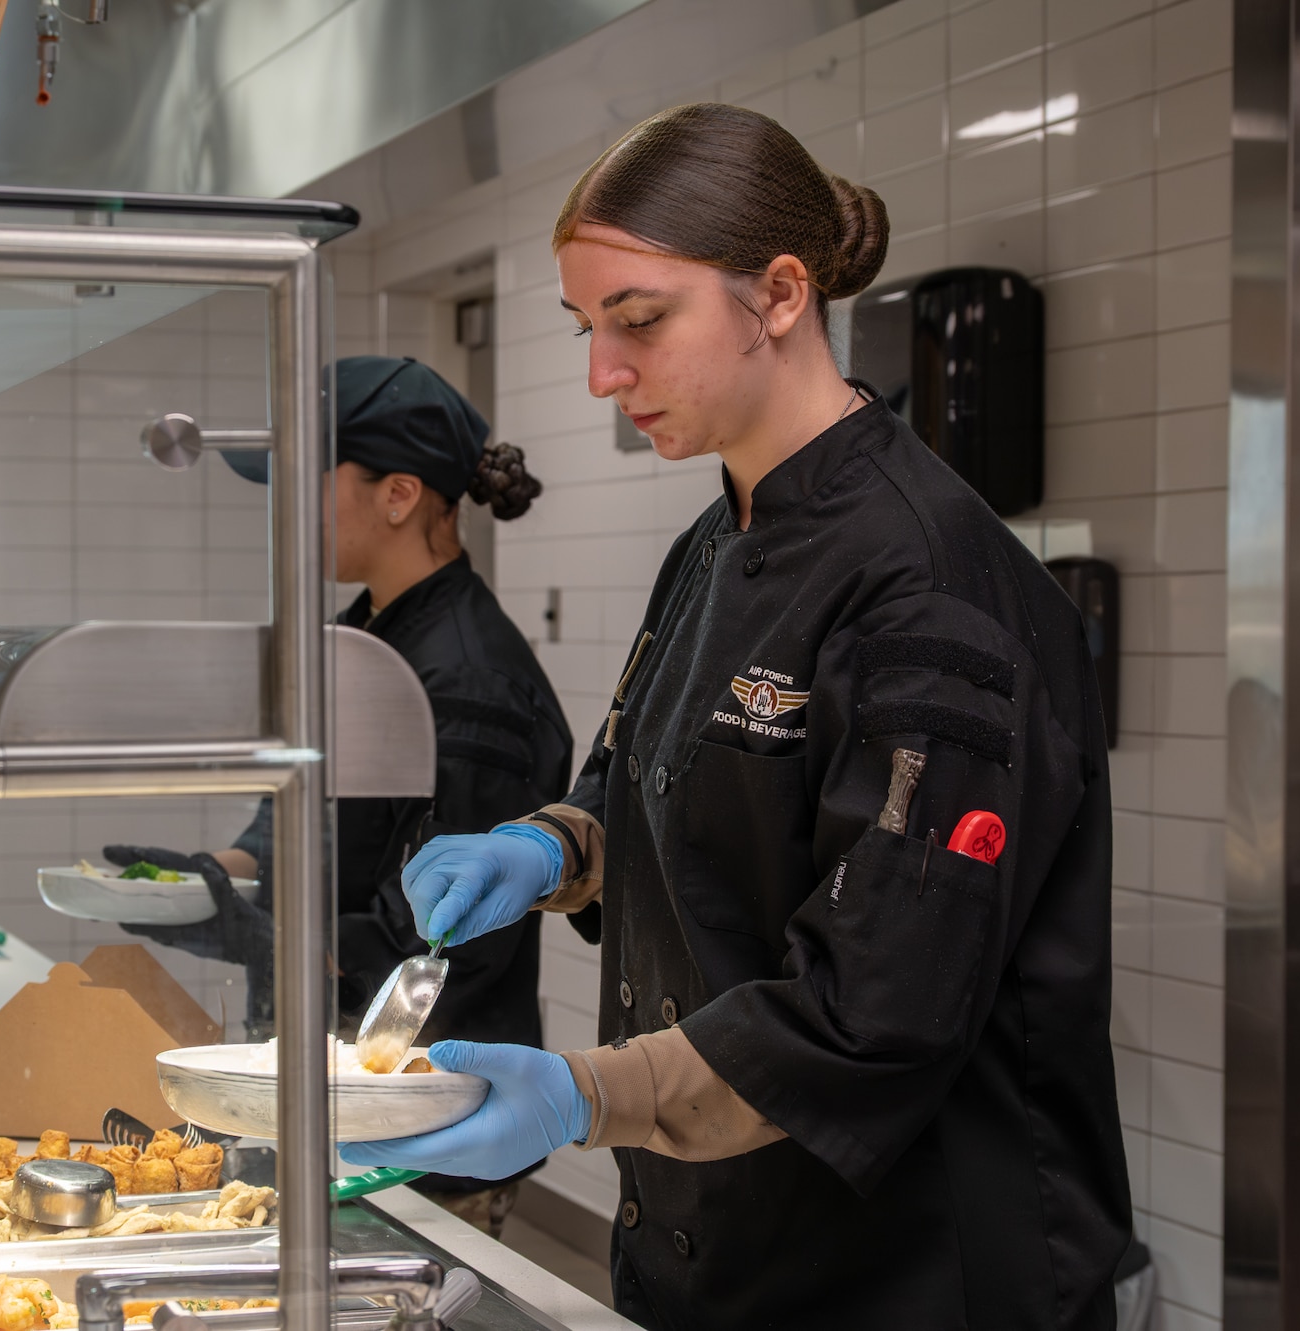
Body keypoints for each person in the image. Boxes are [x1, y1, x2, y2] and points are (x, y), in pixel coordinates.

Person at [341, 104, 1134, 1328]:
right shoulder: (715, 540)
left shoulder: (934, 591)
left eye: (638, 322)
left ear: (777, 293)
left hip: (910, 1275)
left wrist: (577, 1095)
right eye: (586, 329)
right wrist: (549, 847)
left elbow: (868, 1012)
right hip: (712, 1248)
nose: (603, 375)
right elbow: (646, 782)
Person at [107, 355, 574, 1237]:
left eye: (306, 485)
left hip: (425, 1121)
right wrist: (219, 875)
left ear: (398, 494)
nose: (287, 515)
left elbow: (446, 944)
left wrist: (277, 932)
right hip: (337, 1092)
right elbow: (314, 813)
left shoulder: (471, 681)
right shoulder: (362, 635)